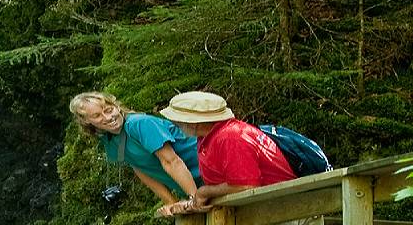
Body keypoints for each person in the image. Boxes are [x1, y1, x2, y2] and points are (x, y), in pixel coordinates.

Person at [68, 92, 203, 217]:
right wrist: (170, 202)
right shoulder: (109, 139)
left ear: (117, 107)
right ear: (87, 122)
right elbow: (140, 169)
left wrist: (194, 198)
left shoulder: (139, 124)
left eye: (109, 110)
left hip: (211, 176)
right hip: (196, 189)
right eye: (97, 116)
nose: (108, 117)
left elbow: (171, 161)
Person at [158, 91, 295, 212]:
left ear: (193, 122)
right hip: (259, 209)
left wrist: (205, 192)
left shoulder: (230, 137)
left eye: (177, 121)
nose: (175, 125)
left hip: (282, 208)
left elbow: (246, 185)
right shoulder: (206, 137)